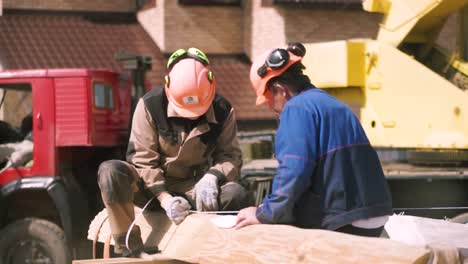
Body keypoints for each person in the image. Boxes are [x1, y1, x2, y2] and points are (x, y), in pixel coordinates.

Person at [98, 47, 253, 257]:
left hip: (194, 187)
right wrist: (165, 199)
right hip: (151, 190)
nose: (190, 117)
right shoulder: (150, 106)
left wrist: (212, 177)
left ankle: (217, 250)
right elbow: (143, 161)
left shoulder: (223, 109)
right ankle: (129, 247)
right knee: (110, 171)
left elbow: (231, 156)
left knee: (236, 193)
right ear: (169, 88)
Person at [235, 43, 392, 237]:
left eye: (268, 98)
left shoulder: (296, 108)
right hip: (373, 214)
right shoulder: (330, 103)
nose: (270, 106)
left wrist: (264, 214)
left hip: (342, 219)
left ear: (280, 89)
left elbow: (294, 170)